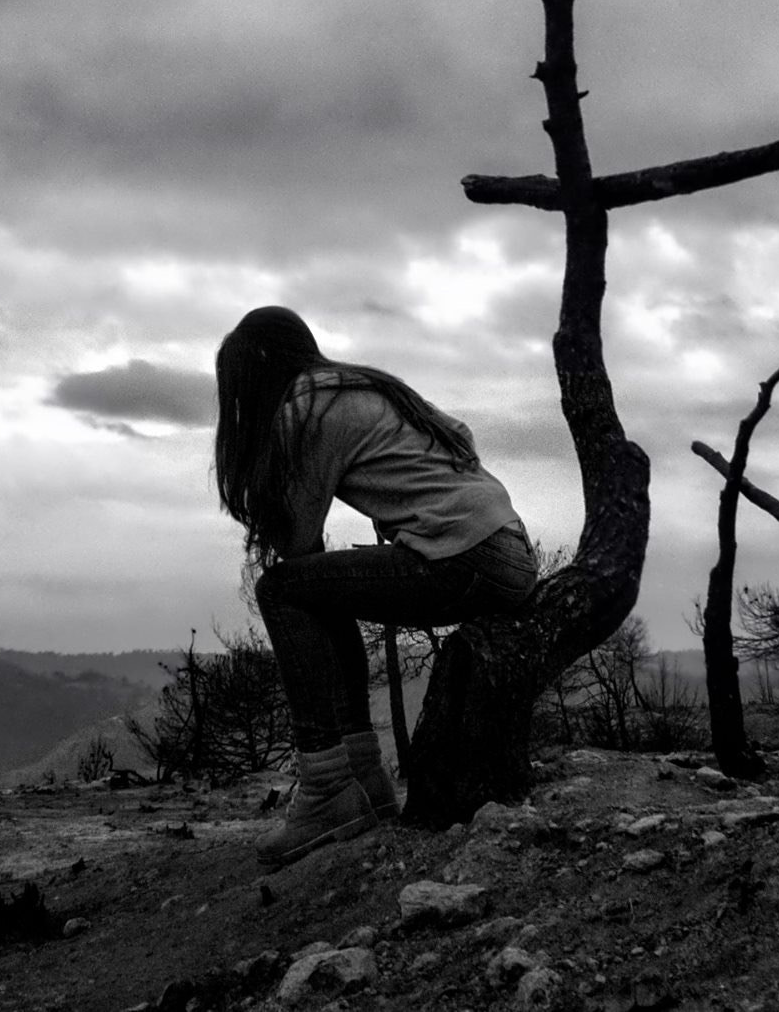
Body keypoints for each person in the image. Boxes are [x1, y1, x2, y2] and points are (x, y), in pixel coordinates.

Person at [213, 306, 538, 865]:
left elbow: (295, 543)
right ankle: (362, 779)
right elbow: (462, 437)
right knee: (318, 587)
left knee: (282, 588)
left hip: (462, 556)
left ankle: (326, 790)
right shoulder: (363, 385)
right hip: (507, 550)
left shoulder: (305, 407)